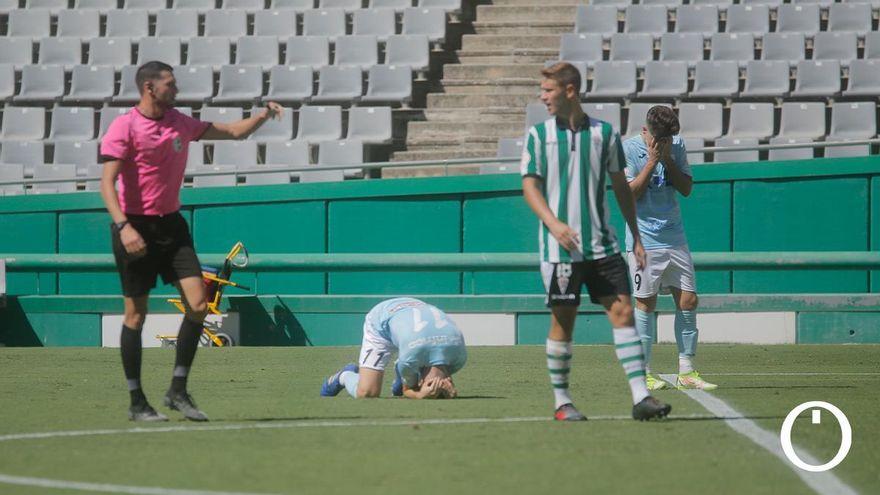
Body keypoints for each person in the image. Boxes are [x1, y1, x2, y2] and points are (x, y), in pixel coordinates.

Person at [99, 61, 284, 422]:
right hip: (133, 226)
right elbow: (107, 183)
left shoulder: (179, 121)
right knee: (136, 314)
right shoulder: (125, 127)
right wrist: (124, 227)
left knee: (199, 304)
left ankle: (177, 390)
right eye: (170, 83)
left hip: (171, 226)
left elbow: (233, 132)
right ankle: (137, 400)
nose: (177, 88)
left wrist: (262, 115)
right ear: (149, 88)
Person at [521, 62, 671, 422]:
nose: (542, 98)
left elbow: (621, 187)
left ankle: (641, 398)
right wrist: (554, 223)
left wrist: (636, 236)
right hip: (560, 250)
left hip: (603, 245)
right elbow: (529, 185)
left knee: (622, 313)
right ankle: (562, 402)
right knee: (564, 321)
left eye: (548, 91)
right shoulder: (539, 136)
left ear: (570, 91)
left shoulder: (604, 134)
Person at [622, 106, 718, 392]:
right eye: (661, 138)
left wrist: (668, 160)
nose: (666, 142)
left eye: (669, 139)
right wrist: (652, 162)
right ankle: (644, 372)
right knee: (645, 304)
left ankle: (686, 371)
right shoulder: (628, 149)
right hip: (644, 240)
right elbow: (629, 195)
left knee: (688, 301)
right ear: (648, 130)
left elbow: (687, 189)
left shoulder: (676, 146)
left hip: (675, 237)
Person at [320, 298, 466, 400]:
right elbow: (407, 391)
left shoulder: (459, 356)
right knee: (367, 393)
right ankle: (345, 376)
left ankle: (401, 370)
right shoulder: (413, 358)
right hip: (381, 319)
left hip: (413, 307)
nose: (438, 382)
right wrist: (419, 395)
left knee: (409, 364)